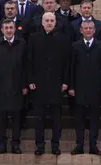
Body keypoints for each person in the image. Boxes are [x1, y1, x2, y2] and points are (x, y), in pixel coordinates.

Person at [26, 12, 71, 155]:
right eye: (47, 20)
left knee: (56, 118)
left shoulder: (63, 39)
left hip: (56, 84)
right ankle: (39, 145)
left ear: (56, 22)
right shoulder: (33, 38)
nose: (49, 23)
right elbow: (29, 61)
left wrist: (65, 81)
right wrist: (30, 80)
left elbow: (67, 63)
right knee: (39, 118)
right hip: (38, 85)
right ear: (42, 22)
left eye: (52, 20)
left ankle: (55, 145)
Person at [69, 19, 101, 156]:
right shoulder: (75, 46)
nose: (88, 30)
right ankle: (79, 145)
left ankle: (93, 145)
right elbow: (71, 68)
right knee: (79, 119)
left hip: (95, 88)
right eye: (85, 28)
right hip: (79, 89)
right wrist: (71, 87)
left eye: (90, 28)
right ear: (81, 30)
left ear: (94, 30)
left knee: (94, 119)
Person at [0, 19, 27, 154]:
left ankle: (15, 144)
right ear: (2, 30)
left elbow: (26, 66)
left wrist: (24, 85)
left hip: (17, 87)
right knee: (1, 119)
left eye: (11, 27)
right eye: (6, 28)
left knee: (16, 118)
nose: (9, 30)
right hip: (1, 87)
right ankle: (2, 145)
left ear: (15, 29)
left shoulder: (21, 44)